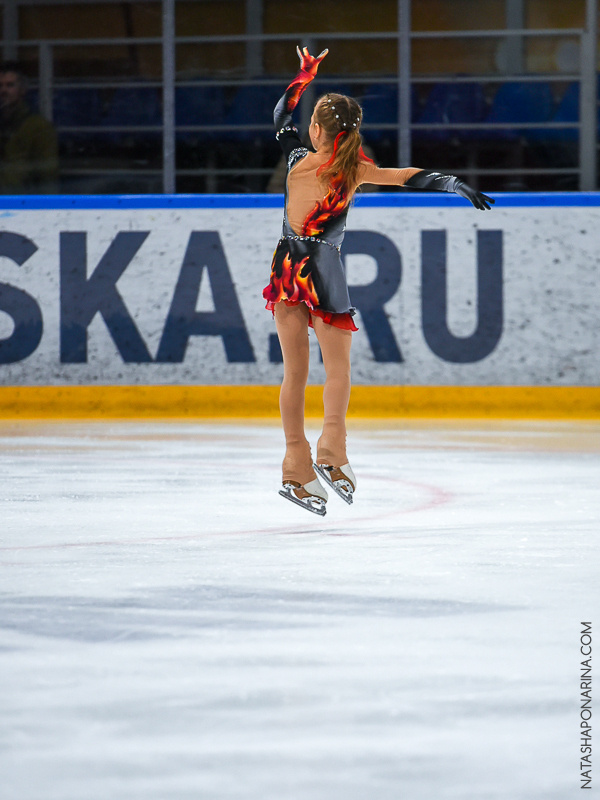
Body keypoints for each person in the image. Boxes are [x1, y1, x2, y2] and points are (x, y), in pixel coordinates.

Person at [263, 47, 494, 516]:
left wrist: (305, 74)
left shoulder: (295, 158)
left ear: (315, 130)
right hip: (322, 269)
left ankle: (296, 461)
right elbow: (409, 177)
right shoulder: (354, 170)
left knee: (295, 374)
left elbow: (281, 114)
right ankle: (333, 448)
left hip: (286, 267)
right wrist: (454, 183)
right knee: (339, 371)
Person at [0, 62, 58, 193]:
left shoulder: (38, 127)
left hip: (22, 202)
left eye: (10, 85)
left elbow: (47, 175)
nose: (3, 91)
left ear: (22, 90)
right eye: (0, 86)